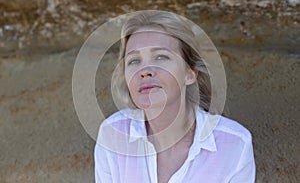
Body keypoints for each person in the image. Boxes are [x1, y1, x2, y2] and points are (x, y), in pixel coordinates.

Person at [94, 11, 256, 183]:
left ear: (190, 73)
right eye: (134, 61)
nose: (145, 71)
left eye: (161, 57)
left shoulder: (235, 144)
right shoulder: (112, 134)